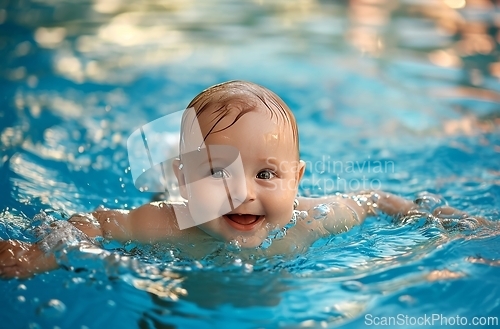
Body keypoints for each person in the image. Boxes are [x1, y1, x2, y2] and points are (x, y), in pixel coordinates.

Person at [0, 80, 483, 279]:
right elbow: (98, 224)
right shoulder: (169, 225)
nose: (244, 191)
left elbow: (376, 199)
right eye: (217, 173)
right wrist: (37, 255)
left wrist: (443, 220)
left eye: (267, 174)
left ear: (297, 181)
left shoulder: (312, 219)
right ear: (184, 181)